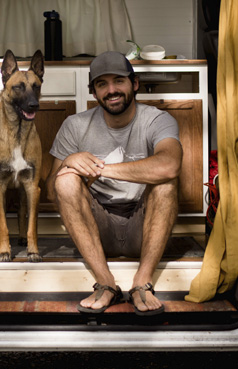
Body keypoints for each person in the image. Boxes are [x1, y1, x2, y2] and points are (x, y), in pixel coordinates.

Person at [46, 51, 182, 315]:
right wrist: (69, 162)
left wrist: (102, 169)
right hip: (98, 228)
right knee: (65, 180)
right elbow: (52, 191)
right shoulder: (74, 125)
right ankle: (106, 282)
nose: (111, 90)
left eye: (118, 80)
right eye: (101, 84)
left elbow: (170, 165)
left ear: (135, 83)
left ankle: (142, 282)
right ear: (94, 93)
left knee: (166, 182)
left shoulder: (157, 119)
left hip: (145, 227)